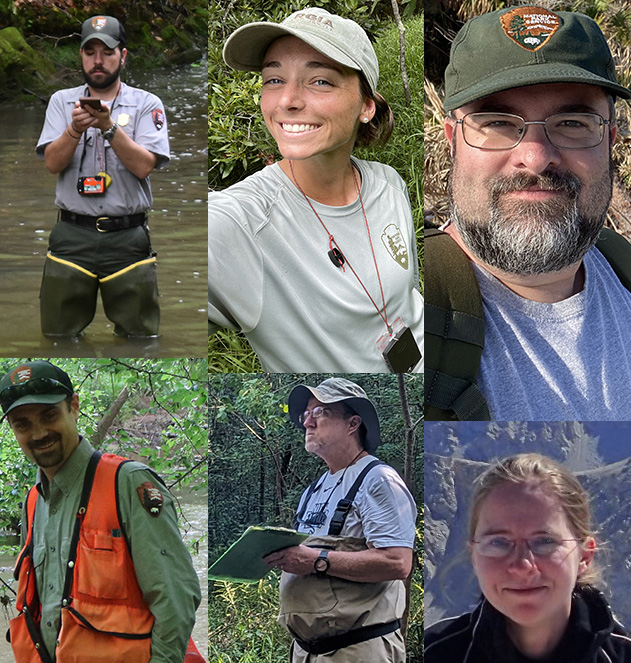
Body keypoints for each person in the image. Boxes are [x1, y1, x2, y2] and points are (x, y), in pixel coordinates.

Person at [425, 6, 631, 420]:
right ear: (453, 140)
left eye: (573, 122)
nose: (536, 158)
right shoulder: (410, 305)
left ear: (609, 140)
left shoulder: (623, 265)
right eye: (498, 122)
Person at [209, 8, 423, 373]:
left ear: (366, 107)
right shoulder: (240, 223)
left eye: (320, 81)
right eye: (273, 80)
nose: (287, 100)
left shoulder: (389, 184)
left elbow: (408, 296)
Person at [0, 360, 204, 662]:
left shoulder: (129, 483)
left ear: (74, 407)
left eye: (49, 415)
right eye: (22, 424)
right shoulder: (32, 502)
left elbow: (175, 601)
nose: (39, 433)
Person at [423, 453, 631, 662]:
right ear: (474, 557)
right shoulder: (432, 652)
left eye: (544, 542)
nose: (522, 565)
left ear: (584, 556)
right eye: (499, 542)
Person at [264, 378, 416, 662]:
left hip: (359, 650)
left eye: (319, 412)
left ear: (352, 424)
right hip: (306, 652)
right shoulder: (313, 490)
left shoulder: (378, 480)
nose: (308, 422)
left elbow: (397, 562)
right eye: (305, 415)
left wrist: (315, 561)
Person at [36, 15, 169, 338]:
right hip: (71, 235)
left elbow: (144, 166)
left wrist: (109, 127)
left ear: (122, 55)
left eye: (107, 52)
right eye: (89, 51)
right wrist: (74, 129)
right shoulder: (61, 102)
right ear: (80, 55)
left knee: (142, 338)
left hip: (128, 237)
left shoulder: (146, 104)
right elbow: (52, 163)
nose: (98, 61)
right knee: (57, 337)